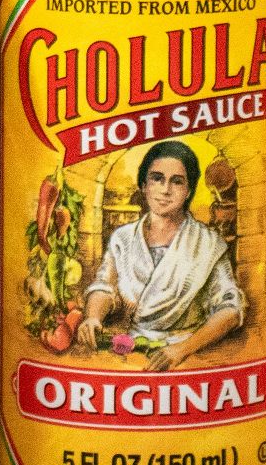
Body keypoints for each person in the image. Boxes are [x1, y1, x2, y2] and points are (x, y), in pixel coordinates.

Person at [74, 140, 244, 371]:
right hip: (131, 351)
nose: (165, 190)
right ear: (144, 186)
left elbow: (230, 310)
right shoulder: (123, 238)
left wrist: (181, 350)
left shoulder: (208, 243)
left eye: (177, 181)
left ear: (188, 191)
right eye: (157, 178)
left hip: (189, 356)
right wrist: (93, 316)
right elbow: (105, 287)